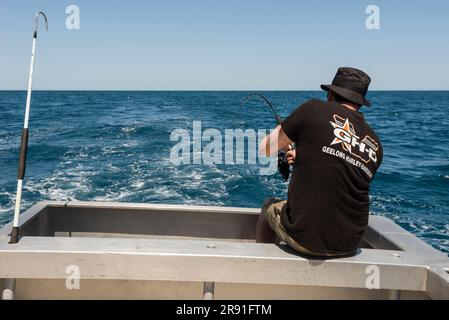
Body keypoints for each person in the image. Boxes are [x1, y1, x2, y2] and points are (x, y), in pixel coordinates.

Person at [257, 67, 383, 257]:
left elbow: (266, 148)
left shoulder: (313, 108)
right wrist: (302, 157)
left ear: (330, 93)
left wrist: (283, 132)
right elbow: (340, 171)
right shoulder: (375, 144)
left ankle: (260, 264)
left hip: (306, 238)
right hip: (350, 243)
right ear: (360, 102)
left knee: (269, 206)